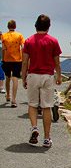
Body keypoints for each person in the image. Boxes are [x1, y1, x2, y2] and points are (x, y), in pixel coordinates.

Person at [23, 15, 60, 148]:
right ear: (49, 27)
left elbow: (25, 62)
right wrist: (59, 76)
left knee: (32, 104)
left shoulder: (28, 41)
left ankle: (34, 127)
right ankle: (46, 138)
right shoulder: (53, 41)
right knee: (46, 107)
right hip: (47, 76)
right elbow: (56, 61)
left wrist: (24, 78)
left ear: (36, 25)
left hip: (33, 74)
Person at [1, 20, 21, 108]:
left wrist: (2, 59)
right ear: (15, 26)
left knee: (7, 77)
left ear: (7, 26)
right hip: (17, 59)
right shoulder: (19, 36)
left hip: (7, 59)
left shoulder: (4, 36)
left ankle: (8, 95)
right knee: (15, 78)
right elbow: (23, 47)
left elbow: (3, 49)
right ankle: (14, 99)